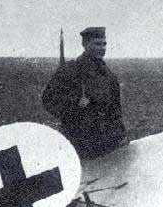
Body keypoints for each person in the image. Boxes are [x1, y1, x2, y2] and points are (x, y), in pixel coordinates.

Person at [42, 26, 127, 159]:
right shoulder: (70, 70)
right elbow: (48, 100)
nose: (102, 48)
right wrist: (75, 104)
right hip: (80, 141)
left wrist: (121, 136)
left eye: (104, 44)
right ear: (85, 44)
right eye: (97, 44)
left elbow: (115, 111)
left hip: (106, 142)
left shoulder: (109, 76)